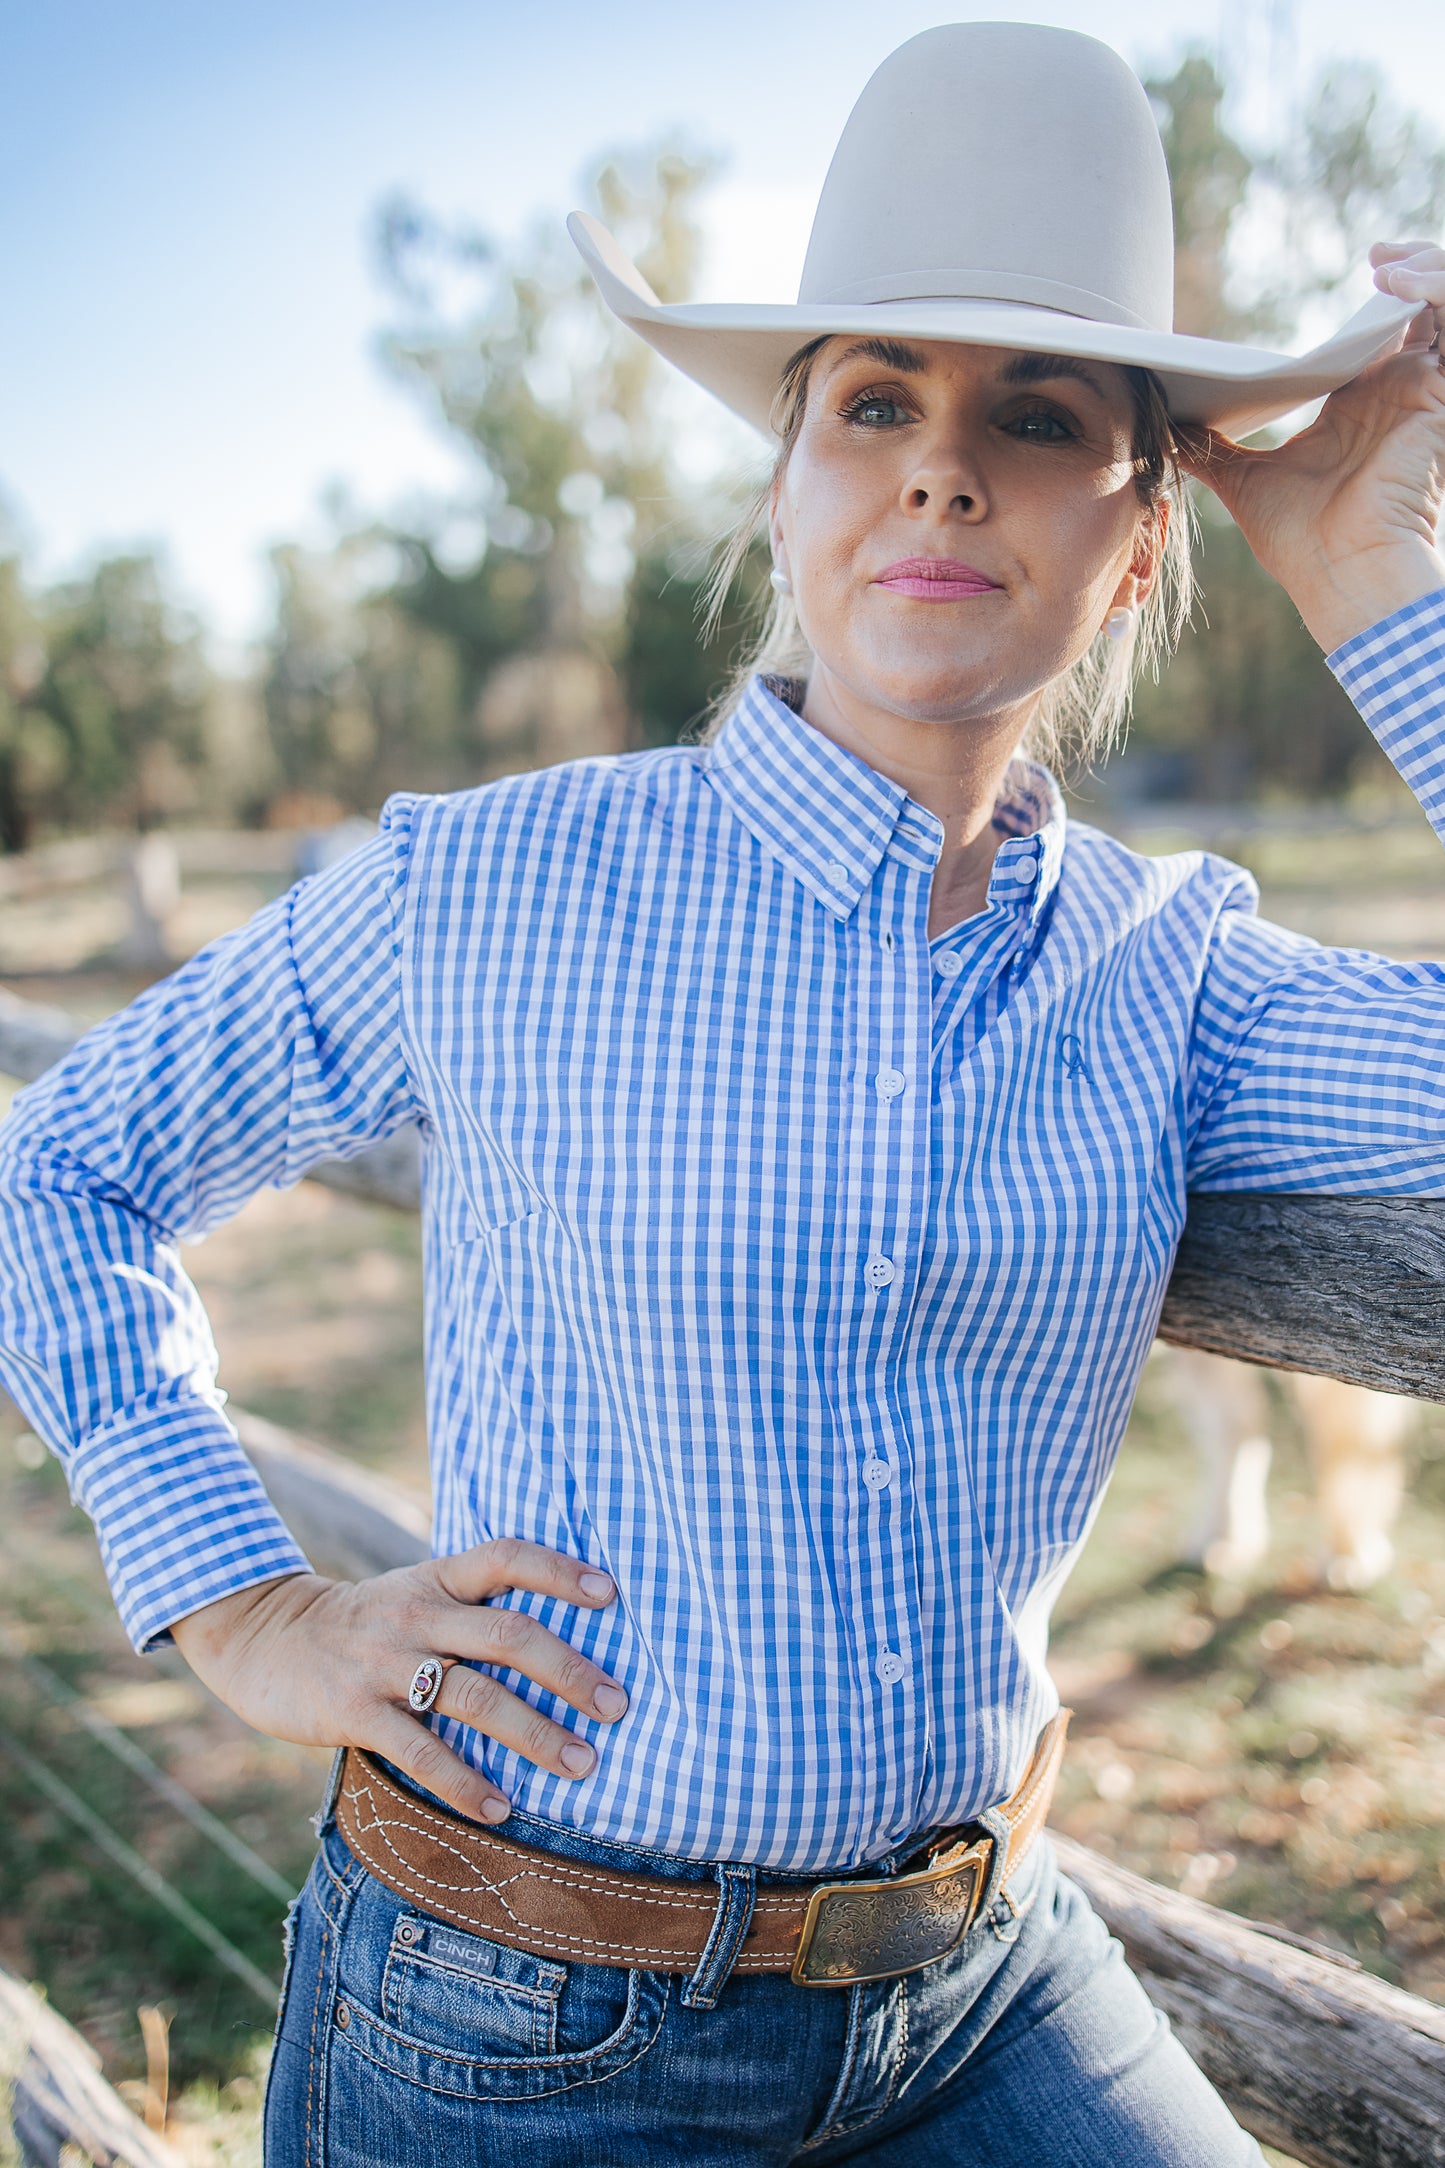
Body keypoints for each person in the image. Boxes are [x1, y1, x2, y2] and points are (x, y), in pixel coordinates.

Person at [2, 21, 1442, 2165]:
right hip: (518, 2020)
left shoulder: (1176, 977)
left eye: (1037, 415)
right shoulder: (484, 885)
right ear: (786, 486)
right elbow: (64, 1166)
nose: (941, 470)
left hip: (975, 1983)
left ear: (1141, 538)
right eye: (875, 402)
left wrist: (1374, 581)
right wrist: (246, 1604)